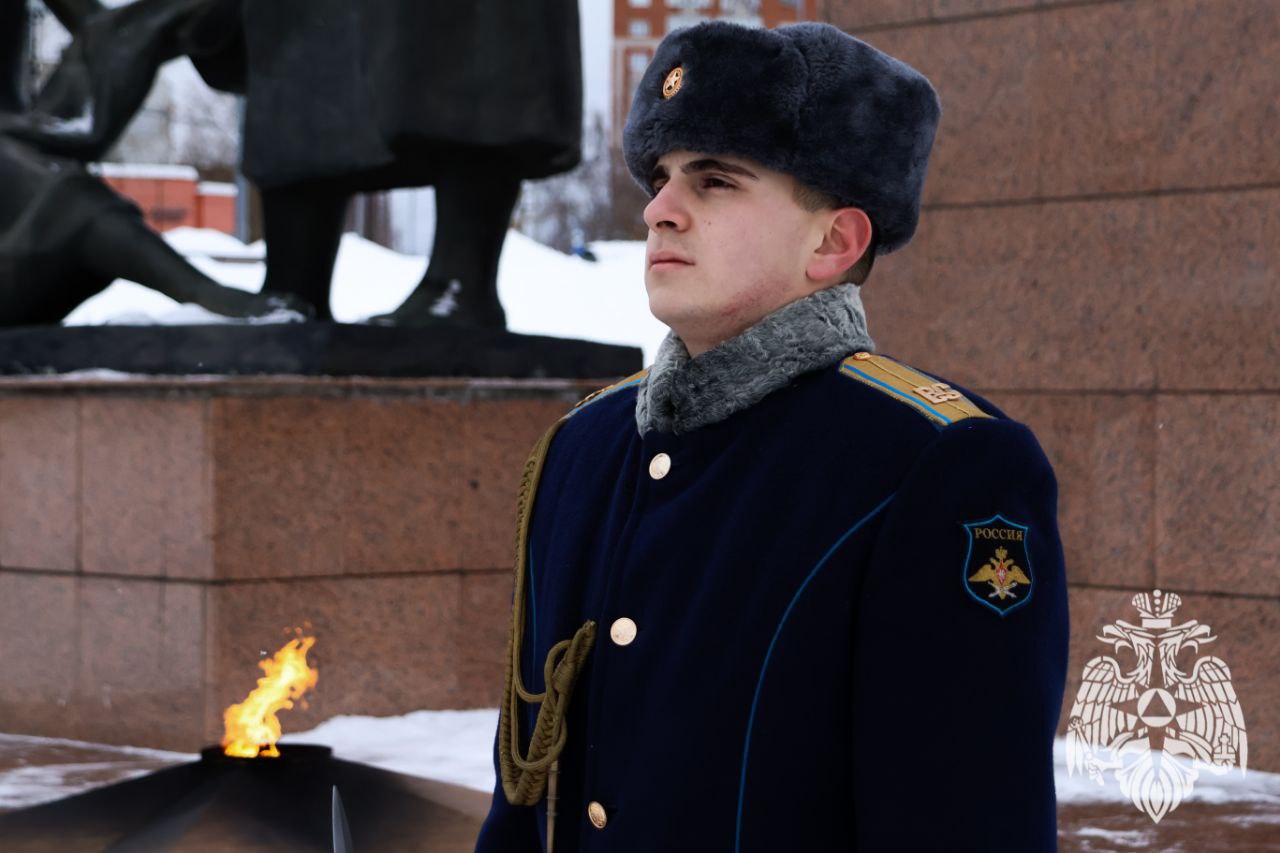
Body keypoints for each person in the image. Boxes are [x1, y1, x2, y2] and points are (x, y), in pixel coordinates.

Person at [477, 21, 1068, 853]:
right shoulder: (584, 447)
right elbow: (527, 798)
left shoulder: (939, 466)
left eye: (714, 180)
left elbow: (966, 821)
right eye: (660, 176)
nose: (658, 210)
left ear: (835, 241)